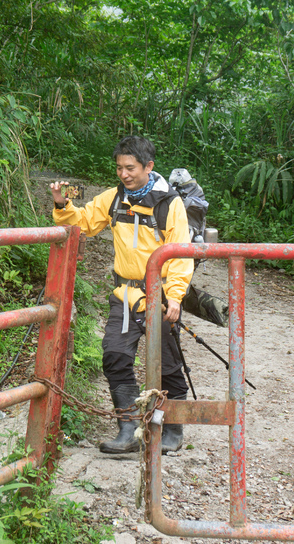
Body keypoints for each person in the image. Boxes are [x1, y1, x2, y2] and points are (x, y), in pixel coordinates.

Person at [50, 136, 192, 454]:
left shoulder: (170, 205)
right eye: (119, 168)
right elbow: (82, 224)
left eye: (130, 168)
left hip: (161, 294)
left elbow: (182, 254)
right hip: (124, 294)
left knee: (168, 364)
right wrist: (62, 204)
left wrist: (176, 297)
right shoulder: (114, 198)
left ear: (148, 167)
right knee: (115, 356)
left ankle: (172, 430)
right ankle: (128, 429)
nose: (124, 174)